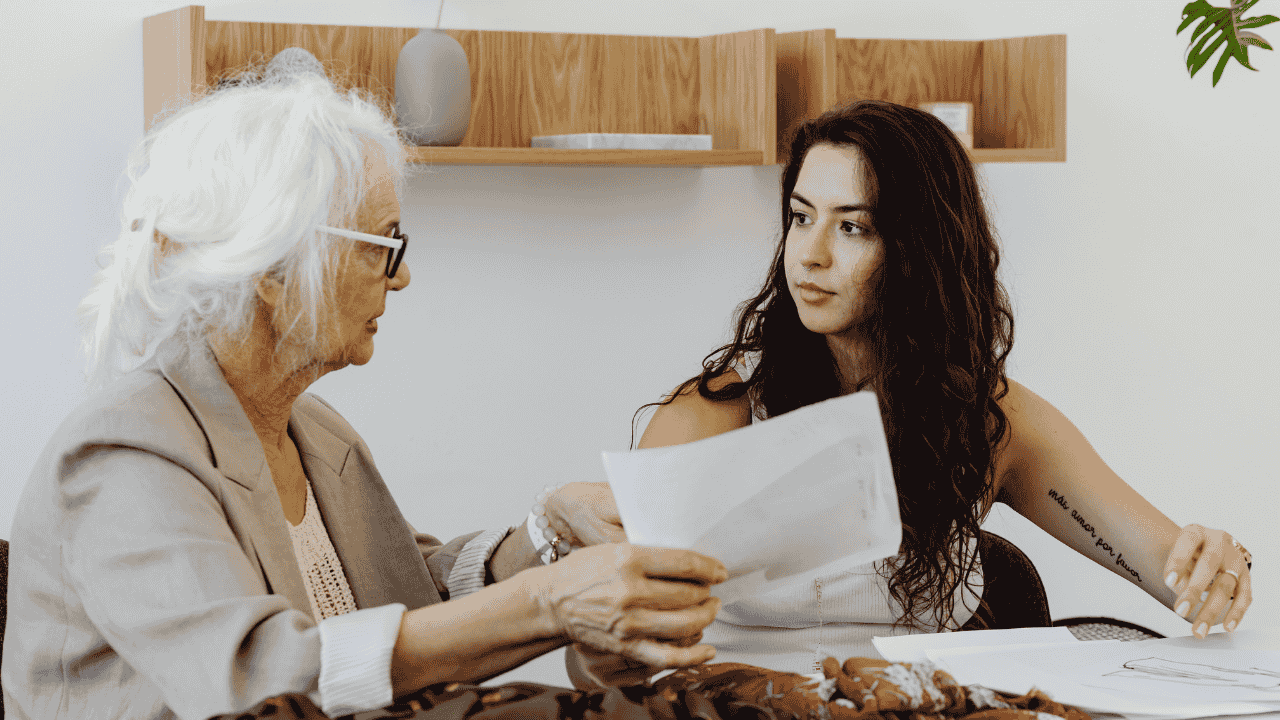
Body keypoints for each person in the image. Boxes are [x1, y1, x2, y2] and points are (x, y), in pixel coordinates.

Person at [0, 66, 726, 720]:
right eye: (384, 245)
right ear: (275, 262)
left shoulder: (312, 429)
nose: (401, 277)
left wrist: (547, 536)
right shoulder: (124, 454)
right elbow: (259, 682)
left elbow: (407, 603)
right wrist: (549, 605)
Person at [571, 99, 1254, 684]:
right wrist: (611, 649)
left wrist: (1215, 566)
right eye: (801, 216)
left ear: (919, 250)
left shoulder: (991, 420)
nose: (809, 255)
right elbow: (588, 650)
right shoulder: (714, 417)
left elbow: (1173, 569)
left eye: (852, 227)